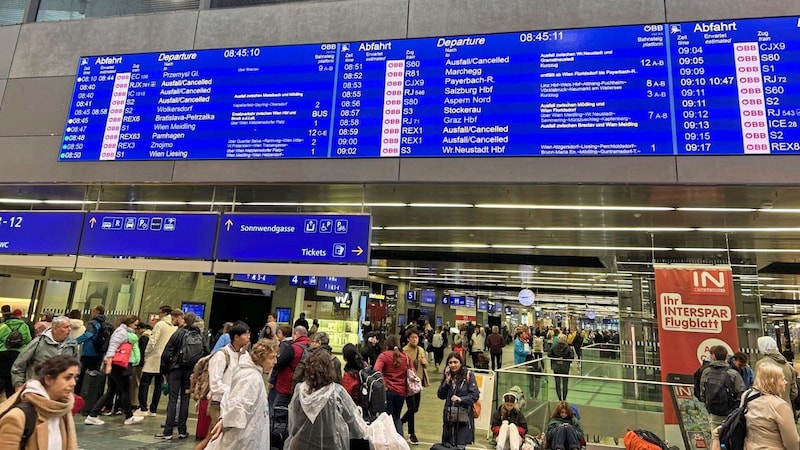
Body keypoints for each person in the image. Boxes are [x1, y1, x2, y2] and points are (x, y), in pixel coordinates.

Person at [283, 349, 368, 450]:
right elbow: (351, 421)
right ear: (330, 369)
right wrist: (361, 433)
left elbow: (294, 425)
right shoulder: (337, 392)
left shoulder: (299, 390)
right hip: (331, 444)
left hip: (301, 443)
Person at [204, 339, 277, 450]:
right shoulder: (251, 378)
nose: (275, 362)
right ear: (262, 358)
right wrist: (225, 422)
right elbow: (239, 406)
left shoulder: (251, 374)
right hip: (243, 439)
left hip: (244, 436)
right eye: (272, 357)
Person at [0, 355, 80, 449]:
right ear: (48, 379)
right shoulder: (17, 417)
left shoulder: (62, 411)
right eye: (67, 378)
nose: (73, 383)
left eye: (75, 378)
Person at [84, 315, 143, 426]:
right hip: (118, 365)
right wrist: (109, 365)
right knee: (125, 389)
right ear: (129, 323)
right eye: (135, 324)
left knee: (112, 391)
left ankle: (93, 414)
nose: (136, 327)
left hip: (115, 365)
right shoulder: (122, 333)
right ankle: (129, 416)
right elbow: (112, 348)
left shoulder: (122, 332)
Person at [727, 362, 799, 450]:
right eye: (782, 379)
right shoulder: (780, 405)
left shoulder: (747, 396)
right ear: (773, 382)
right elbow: (792, 441)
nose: (786, 382)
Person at [156, 311, 204, 440]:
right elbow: (205, 353)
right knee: (185, 400)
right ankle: (183, 430)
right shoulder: (199, 335)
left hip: (176, 370)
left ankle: (168, 431)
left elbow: (167, 352)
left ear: (184, 320)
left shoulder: (179, 333)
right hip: (190, 372)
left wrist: (164, 370)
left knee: (173, 400)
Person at [11, 316, 78, 389]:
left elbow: (76, 369)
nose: (69, 329)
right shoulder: (38, 342)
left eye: (70, 327)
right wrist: (18, 386)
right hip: (37, 389)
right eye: (66, 327)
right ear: (55, 329)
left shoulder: (72, 345)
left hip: (60, 392)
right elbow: (19, 365)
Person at [207, 321, 249, 427]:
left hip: (235, 405)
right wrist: (232, 391)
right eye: (245, 334)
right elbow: (215, 384)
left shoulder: (245, 355)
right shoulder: (221, 355)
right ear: (236, 337)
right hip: (219, 403)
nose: (248, 337)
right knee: (218, 438)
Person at [136, 305, 176, 417]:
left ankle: (143, 407)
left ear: (163, 313)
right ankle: (153, 409)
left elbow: (152, 341)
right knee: (158, 385)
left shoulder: (160, 325)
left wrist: (146, 354)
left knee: (145, 383)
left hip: (153, 357)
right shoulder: (174, 327)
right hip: (164, 359)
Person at [437, 351, 480, 447]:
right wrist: (446, 382)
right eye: (450, 362)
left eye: (455, 362)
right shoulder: (448, 376)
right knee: (448, 446)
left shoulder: (468, 375)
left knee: (460, 445)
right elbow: (440, 395)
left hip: (463, 418)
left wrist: (461, 399)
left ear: (461, 363)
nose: (453, 365)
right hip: (449, 418)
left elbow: (474, 395)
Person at [699, 345, 744, 433]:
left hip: (714, 412)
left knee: (715, 438)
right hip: (730, 413)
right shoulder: (733, 373)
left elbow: (702, 392)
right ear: (726, 357)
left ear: (713, 356)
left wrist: (708, 405)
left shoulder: (706, 372)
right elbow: (741, 392)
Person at [374, 334, 409, 436]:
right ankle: (400, 440)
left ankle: (389, 441)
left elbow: (376, 371)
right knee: (397, 418)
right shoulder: (405, 357)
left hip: (387, 391)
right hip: (401, 392)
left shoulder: (384, 356)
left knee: (387, 419)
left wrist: (383, 382)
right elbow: (411, 371)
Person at [73, 305, 109, 395]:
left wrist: (75, 341)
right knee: (95, 374)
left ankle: (77, 393)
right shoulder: (104, 323)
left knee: (81, 374)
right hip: (99, 352)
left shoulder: (92, 323)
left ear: (97, 311)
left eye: (93, 310)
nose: (91, 312)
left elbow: (88, 334)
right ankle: (93, 394)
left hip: (89, 351)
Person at [754, 336, 798, 406]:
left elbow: (757, 388)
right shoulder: (788, 365)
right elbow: (794, 393)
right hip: (786, 408)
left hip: (768, 409)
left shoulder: (761, 365)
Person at [401, 328, 428, 445]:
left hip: (418, 383)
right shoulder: (404, 351)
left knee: (415, 408)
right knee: (411, 408)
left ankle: (400, 422)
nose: (415, 339)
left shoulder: (421, 350)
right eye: (412, 337)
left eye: (416, 337)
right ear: (408, 339)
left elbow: (425, 366)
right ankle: (412, 434)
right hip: (408, 384)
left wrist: (425, 363)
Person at [548, 334, 574, 401]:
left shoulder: (554, 346)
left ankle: (559, 399)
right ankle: (564, 399)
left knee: (557, 383)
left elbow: (549, 354)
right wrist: (564, 359)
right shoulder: (567, 347)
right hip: (565, 367)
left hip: (556, 367)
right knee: (565, 384)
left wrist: (556, 358)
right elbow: (572, 357)